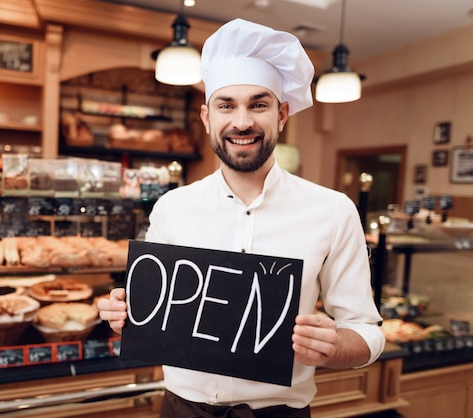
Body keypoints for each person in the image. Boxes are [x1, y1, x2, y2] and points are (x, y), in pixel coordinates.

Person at [97, 18, 385, 418]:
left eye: (259, 104)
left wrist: (335, 347)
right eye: (226, 105)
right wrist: (123, 314)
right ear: (206, 117)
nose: (242, 121)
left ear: (282, 114)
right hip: (181, 411)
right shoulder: (172, 208)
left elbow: (367, 331)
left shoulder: (333, 211)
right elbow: (151, 313)